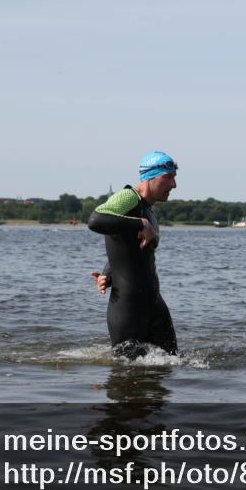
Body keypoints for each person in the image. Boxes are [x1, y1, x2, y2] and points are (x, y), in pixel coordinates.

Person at [88, 152, 179, 360]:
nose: (174, 185)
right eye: (168, 177)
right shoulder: (129, 196)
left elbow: (127, 246)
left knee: (172, 366)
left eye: (175, 177)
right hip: (128, 307)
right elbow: (95, 220)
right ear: (150, 177)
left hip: (153, 302)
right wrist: (141, 224)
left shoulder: (148, 209)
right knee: (126, 377)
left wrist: (107, 272)